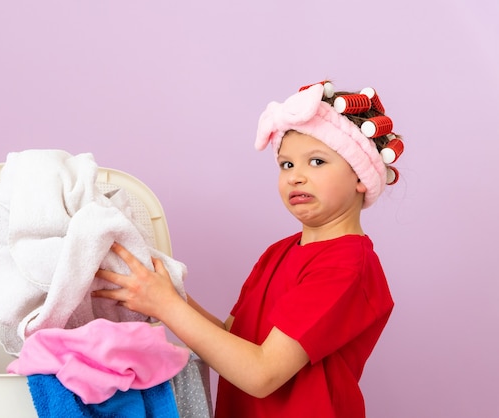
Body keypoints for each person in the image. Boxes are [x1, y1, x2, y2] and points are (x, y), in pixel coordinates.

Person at [94, 80, 402, 417]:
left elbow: (261, 374)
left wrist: (166, 306)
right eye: (287, 164)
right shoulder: (280, 251)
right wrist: (168, 290)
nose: (296, 176)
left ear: (361, 176)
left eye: (316, 162)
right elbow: (230, 337)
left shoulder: (346, 266)